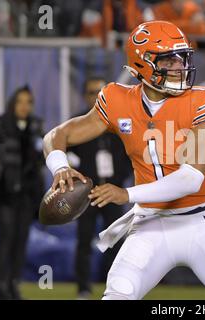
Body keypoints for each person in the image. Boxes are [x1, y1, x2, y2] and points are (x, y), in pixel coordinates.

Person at [43, 20, 205, 300]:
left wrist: (126, 194)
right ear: (143, 64)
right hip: (152, 222)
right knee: (117, 294)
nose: (180, 66)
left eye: (182, 58)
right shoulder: (116, 99)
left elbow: (190, 179)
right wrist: (60, 167)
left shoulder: (203, 100)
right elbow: (57, 135)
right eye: (169, 60)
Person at [67, 77, 132, 299]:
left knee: (116, 240)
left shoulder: (120, 122)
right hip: (88, 193)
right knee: (84, 239)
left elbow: (130, 155)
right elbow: (67, 151)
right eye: (91, 92)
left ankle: (114, 287)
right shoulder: (77, 122)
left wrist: (118, 182)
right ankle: (83, 288)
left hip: (112, 191)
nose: (95, 96)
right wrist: (83, 181)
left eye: (99, 92)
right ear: (86, 96)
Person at [0, 85, 45, 300]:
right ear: (13, 103)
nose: (24, 106)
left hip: (27, 194)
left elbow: (44, 154)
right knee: (7, 238)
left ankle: (13, 284)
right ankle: (1, 287)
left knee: (21, 239)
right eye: (20, 101)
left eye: (28, 102)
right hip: (5, 193)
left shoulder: (36, 127)